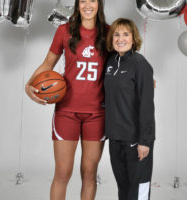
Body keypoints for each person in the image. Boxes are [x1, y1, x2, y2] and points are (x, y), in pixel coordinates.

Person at [25, 0, 108, 199]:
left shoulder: (109, 32)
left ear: (100, 4)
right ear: (77, 4)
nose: (88, 5)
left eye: (93, 1)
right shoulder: (64, 31)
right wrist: (29, 84)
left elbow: (126, 60)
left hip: (98, 113)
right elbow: (48, 63)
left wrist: (143, 76)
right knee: (63, 172)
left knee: (89, 174)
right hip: (66, 111)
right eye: (83, 1)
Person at [104, 18, 155, 200]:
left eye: (126, 34)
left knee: (138, 190)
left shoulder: (140, 64)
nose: (120, 39)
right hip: (115, 139)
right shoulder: (110, 63)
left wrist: (145, 141)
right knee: (123, 188)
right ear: (111, 39)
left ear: (133, 39)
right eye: (116, 34)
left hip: (136, 140)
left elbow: (147, 105)